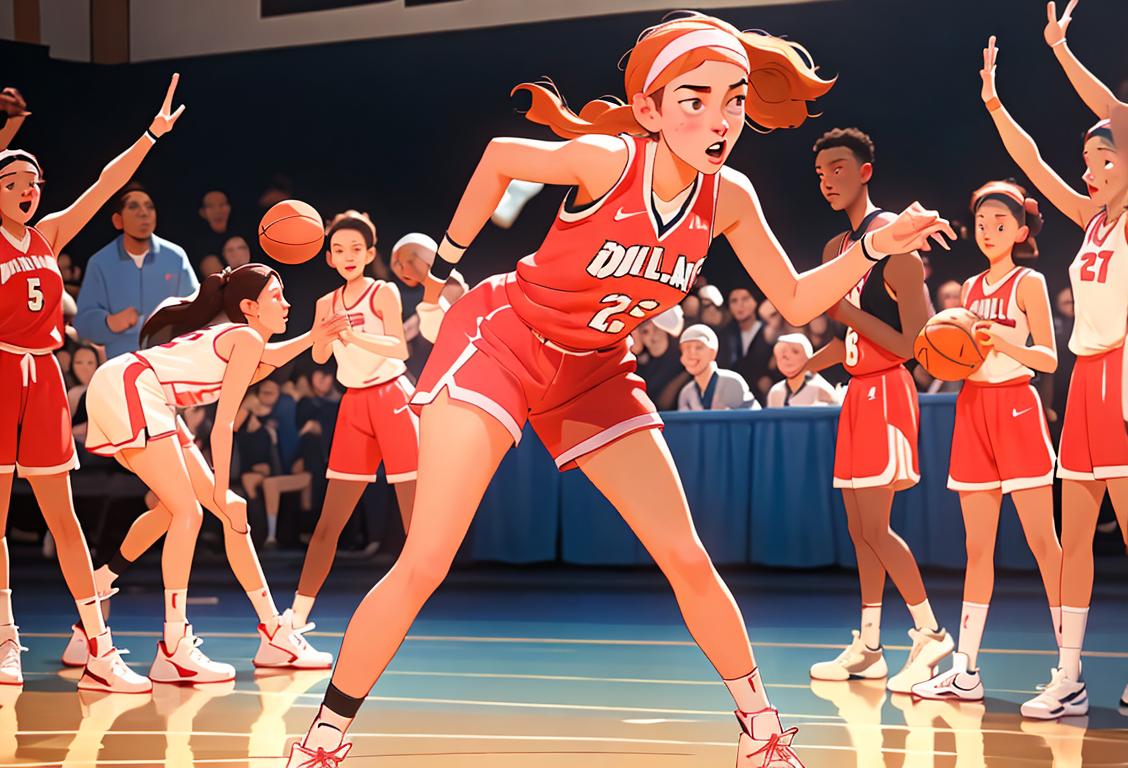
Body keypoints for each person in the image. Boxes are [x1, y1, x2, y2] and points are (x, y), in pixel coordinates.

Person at [287, 14, 953, 768]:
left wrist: (874, 246)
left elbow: (798, 300)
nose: (720, 118)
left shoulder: (727, 196)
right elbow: (502, 157)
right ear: (650, 109)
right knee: (428, 559)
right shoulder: (609, 159)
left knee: (687, 556)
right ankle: (322, 738)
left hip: (596, 366)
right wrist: (444, 265)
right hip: (506, 341)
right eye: (695, 99)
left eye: (733, 99)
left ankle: (762, 733)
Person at [0, 75, 187, 693]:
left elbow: (105, 183)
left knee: (65, 516)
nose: (26, 191)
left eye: (32, 183)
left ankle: (98, 651)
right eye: (11, 183)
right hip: (2, 371)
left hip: (45, 376)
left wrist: (150, 137)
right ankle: (5, 641)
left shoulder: (49, 235)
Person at [79, 263, 346, 681]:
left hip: (142, 392)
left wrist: (315, 336)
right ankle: (174, 646)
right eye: (277, 296)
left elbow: (270, 360)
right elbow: (224, 424)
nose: (287, 302)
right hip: (133, 387)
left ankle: (98, 587)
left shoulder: (246, 341)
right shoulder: (243, 336)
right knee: (195, 511)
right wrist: (221, 489)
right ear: (248, 306)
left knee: (192, 511)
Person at [979, 4, 1128, 715]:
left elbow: (1115, 109)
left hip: (1125, 375)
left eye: (1108, 158)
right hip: (1084, 379)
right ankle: (1069, 676)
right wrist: (994, 103)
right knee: (1075, 542)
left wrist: (1062, 52)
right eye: (1090, 161)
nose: (1094, 170)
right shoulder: (1090, 218)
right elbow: (1031, 160)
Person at [804, 127, 953, 693]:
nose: (828, 181)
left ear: (866, 171)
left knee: (877, 527)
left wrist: (841, 313)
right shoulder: (834, 251)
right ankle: (869, 645)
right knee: (858, 528)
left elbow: (916, 344)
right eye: (821, 173)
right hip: (855, 392)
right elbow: (848, 337)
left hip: (889, 390)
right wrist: (807, 365)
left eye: (838, 168)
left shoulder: (899, 244)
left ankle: (931, 632)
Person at [912, 181, 1063, 701]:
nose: (988, 230)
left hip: (1018, 406)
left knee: (1045, 544)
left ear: (1020, 231)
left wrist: (1001, 339)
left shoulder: (1030, 281)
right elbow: (963, 357)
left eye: (1000, 223)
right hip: (973, 410)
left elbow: (1048, 358)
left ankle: (1069, 671)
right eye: (980, 223)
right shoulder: (971, 287)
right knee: (977, 550)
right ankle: (966, 671)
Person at [287, 212, 423, 633]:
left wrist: (351, 334)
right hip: (353, 406)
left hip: (393, 398)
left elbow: (399, 347)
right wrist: (325, 337)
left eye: (356, 249)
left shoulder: (383, 292)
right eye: (340, 250)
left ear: (370, 254)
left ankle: (411, 606)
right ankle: (295, 618)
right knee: (329, 521)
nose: (348, 256)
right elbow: (319, 358)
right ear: (329, 257)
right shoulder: (324, 304)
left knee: (414, 519)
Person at [73, 183, 197, 359]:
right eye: (133, 206)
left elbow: (196, 308)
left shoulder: (175, 257)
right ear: (118, 220)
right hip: (121, 365)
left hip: (170, 361)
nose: (143, 213)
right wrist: (109, 323)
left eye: (149, 206)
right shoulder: (100, 263)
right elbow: (83, 324)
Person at [677, 324, 758, 410]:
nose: (692, 353)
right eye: (686, 349)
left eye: (699, 347)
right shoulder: (686, 392)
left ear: (712, 352)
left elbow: (750, 416)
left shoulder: (732, 382)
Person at [718, 285, 774, 388]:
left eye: (745, 299)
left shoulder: (769, 331)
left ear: (755, 301)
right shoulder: (724, 336)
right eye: (734, 301)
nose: (740, 305)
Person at [766, 333, 836, 407]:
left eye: (795, 352)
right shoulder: (775, 392)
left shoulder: (821, 389)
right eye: (782, 355)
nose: (787, 359)